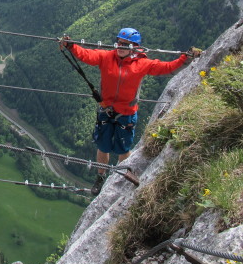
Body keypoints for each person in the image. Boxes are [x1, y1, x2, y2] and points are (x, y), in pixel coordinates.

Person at [59, 28, 200, 195]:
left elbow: (168, 68)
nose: (121, 46)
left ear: (134, 46)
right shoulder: (107, 57)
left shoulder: (142, 64)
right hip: (106, 109)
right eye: (119, 42)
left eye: (125, 44)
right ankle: (101, 176)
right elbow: (87, 55)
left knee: (123, 149)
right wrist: (71, 46)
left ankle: (121, 177)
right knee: (103, 146)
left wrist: (186, 58)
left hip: (126, 113)